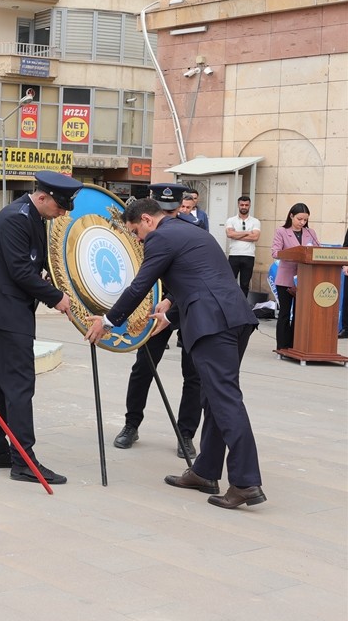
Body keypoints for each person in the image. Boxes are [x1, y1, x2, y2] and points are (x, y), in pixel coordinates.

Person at [85, 198, 264, 510]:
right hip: (235, 318)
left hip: (213, 324)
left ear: (147, 220)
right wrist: (170, 312)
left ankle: (246, 482)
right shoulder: (193, 231)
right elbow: (202, 279)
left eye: (136, 231)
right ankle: (205, 471)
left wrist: (108, 321)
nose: (138, 239)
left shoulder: (160, 238)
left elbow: (140, 286)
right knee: (214, 398)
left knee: (225, 400)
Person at [0, 171, 82, 486]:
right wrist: (56, 298)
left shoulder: (34, 216)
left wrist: (52, 279)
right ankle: (23, 461)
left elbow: (34, 262)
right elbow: (21, 271)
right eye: (59, 207)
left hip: (8, 311)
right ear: (43, 197)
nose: (61, 214)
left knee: (0, 384)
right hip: (7, 313)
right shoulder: (15, 219)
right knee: (20, 387)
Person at [112, 183, 202, 459]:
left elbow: (194, 273)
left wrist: (171, 300)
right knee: (143, 367)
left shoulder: (191, 230)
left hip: (184, 306)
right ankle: (131, 424)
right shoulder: (141, 230)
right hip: (150, 306)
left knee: (193, 373)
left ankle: (186, 434)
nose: (170, 215)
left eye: (174, 211)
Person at [270, 203, 320, 353]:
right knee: (285, 313)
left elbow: (318, 250)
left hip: (304, 279)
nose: (302, 222)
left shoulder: (310, 232)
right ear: (291, 216)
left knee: (300, 313)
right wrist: (294, 254)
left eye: (305, 220)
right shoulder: (281, 231)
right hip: (286, 278)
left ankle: (295, 344)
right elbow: (275, 252)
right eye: (299, 219)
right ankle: (282, 345)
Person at [225, 196, 261, 299]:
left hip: (249, 255)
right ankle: (230, 303)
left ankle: (243, 304)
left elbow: (255, 237)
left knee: (245, 284)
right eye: (242, 205)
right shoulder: (231, 220)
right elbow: (230, 234)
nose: (244, 207)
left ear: (249, 205)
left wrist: (237, 234)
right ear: (238, 205)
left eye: (246, 205)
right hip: (234, 255)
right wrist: (247, 232)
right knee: (230, 282)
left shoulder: (255, 221)